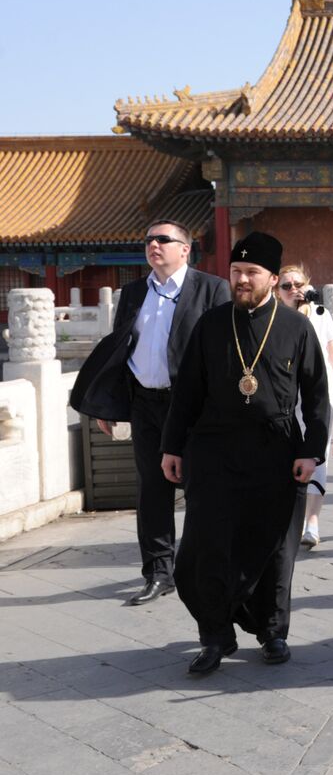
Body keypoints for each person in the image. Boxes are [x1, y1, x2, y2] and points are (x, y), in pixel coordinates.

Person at [161, 232, 330, 674]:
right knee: (204, 548)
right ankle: (215, 636)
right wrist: (171, 447)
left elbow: (316, 397)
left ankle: (273, 632)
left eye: (251, 273)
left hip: (276, 450)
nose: (241, 280)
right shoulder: (211, 324)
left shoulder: (296, 327)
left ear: (273, 278)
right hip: (214, 449)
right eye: (235, 272)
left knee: (275, 548)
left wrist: (313, 452)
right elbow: (186, 394)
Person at [69, 219, 230, 606]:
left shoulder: (212, 289)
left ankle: (205, 567)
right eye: (148, 240)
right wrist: (110, 404)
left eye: (163, 239)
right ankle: (159, 572)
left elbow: (225, 351)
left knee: (201, 488)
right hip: (145, 403)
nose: (154, 245)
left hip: (192, 406)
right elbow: (120, 350)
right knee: (152, 491)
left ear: (185, 249)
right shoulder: (133, 293)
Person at [277, 265, 333, 548]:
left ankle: (312, 521)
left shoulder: (320, 316)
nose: (293, 290)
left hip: (319, 396)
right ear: (277, 290)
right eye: (286, 286)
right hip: (284, 399)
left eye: (297, 284)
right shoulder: (273, 317)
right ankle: (291, 519)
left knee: (317, 455)